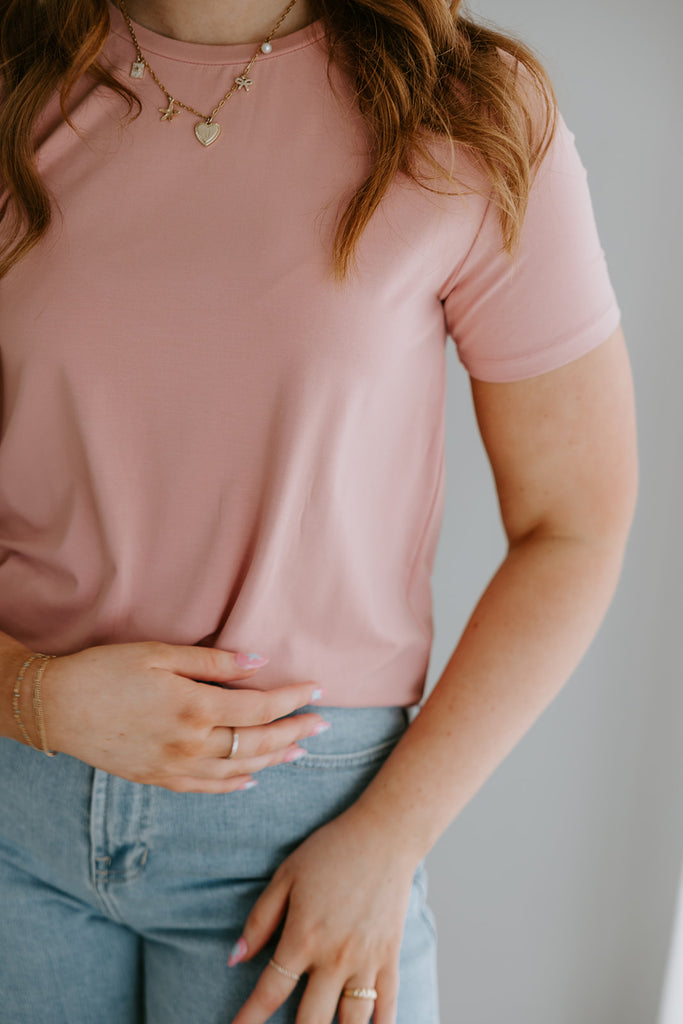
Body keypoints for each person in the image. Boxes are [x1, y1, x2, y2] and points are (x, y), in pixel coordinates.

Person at [0, 0, 638, 1021]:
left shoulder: (464, 110)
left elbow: (576, 524)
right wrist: (28, 696)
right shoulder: (14, 78)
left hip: (301, 854)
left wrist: (391, 836)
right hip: (11, 813)